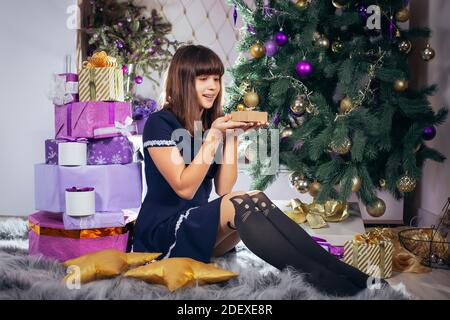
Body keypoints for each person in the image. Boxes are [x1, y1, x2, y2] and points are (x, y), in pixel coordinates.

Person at [133, 45, 384, 297]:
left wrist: (231, 137)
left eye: (216, 79)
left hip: (195, 226)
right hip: (161, 235)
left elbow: (223, 188)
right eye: (203, 79)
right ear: (184, 81)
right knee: (240, 202)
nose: (212, 86)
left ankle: (334, 268)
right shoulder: (160, 123)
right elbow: (184, 188)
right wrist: (213, 138)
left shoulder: (210, 123)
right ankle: (321, 279)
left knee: (255, 198)